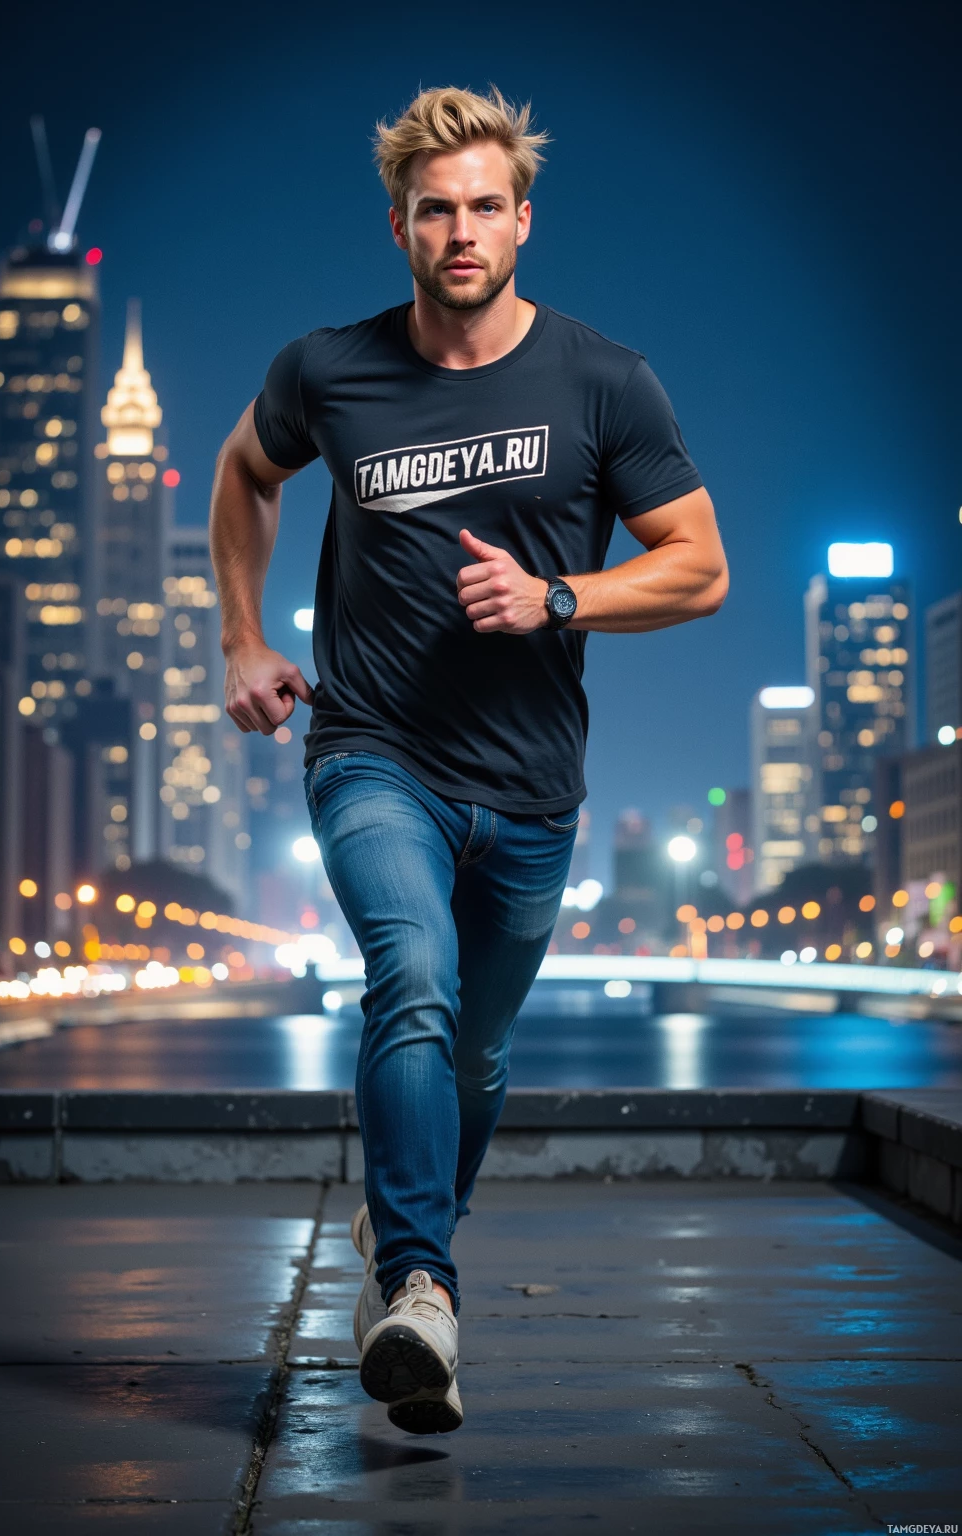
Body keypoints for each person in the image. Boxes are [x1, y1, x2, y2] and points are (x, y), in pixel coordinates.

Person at [210, 84, 728, 1436]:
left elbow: (699, 569)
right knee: (413, 979)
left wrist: (560, 597)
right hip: (372, 750)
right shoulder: (328, 370)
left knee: (478, 1056)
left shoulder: (604, 381)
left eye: (484, 206)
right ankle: (419, 1286)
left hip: (534, 789)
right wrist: (242, 639)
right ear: (399, 227)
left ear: (522, 221)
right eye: (435, 209)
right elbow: (243, 474)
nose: (461, 229)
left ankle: (424, 1258)